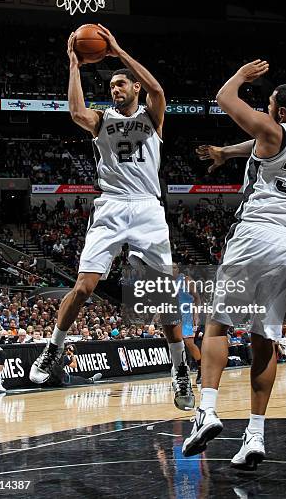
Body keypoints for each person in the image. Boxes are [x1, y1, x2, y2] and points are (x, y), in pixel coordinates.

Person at [30, 24, 194, 411]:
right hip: (112, 205)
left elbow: (159, 90)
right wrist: (74, 64)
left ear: (135, 88)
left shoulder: (153, 117)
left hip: (148, 209)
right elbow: (74, 111)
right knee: (84, 286)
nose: (116, 90)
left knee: (162, 297)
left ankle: (179, 369)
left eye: (122, 84)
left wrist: (118, 50)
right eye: (112, 87)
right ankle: (53, 347)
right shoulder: (102, 120)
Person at [182, 60, 286, 467]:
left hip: (257, 232)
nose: (265, 109)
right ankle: (255, 436)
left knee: (218, 323)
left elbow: (224, 100)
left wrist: (241, 78)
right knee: (265, 336)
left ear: (280, 112)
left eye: (268, 104)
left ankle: (207, 410)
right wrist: (227, 152)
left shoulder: (272, 129)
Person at [173, 263, 202, 384]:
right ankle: (181, 372)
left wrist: (196, 315)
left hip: (187, 315)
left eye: (174, 267)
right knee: (176, 345)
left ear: (178, 269)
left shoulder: (186, 280)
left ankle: (201, 369)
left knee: (189, 343)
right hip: (174, 315)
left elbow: (197, 298)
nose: (172, 269)